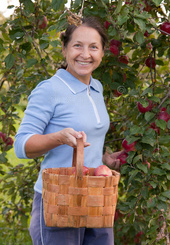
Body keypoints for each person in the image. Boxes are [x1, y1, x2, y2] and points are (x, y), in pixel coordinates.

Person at [14, 16, 120, 245]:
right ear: (64, 49)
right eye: (77, 46)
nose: (85, 54)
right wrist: (58, 138)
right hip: (58, 200)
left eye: (94, 47)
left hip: (95, 199)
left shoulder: (96, 87)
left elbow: (86, 139)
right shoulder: (50, 89)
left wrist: (103, 159)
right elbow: (21, 146)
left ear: (102, 53)